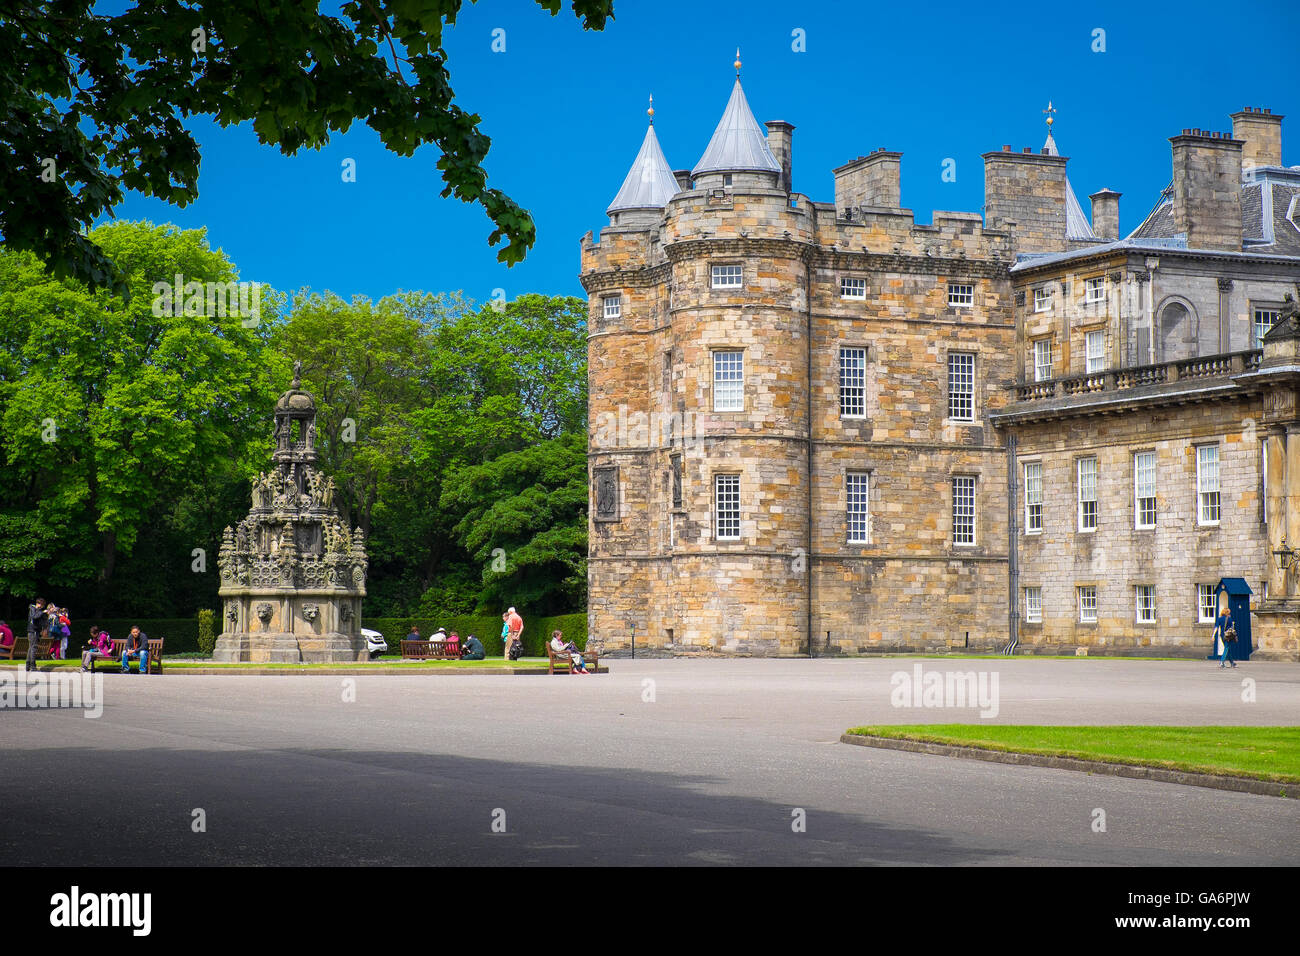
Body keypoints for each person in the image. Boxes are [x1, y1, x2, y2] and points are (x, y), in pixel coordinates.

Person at [26, 597, 49, 672]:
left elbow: (41, 620)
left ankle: (28, 664)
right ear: (38, 604)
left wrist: (45, 614)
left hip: (33, 631)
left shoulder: (36, 610)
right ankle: (32, 665)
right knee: (33, 648)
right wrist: (42, 612)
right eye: (41, 605)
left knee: (31, 648)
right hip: (33, 631)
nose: (41, 606)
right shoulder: (33, 609)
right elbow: (35, 616)